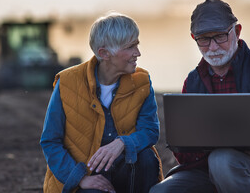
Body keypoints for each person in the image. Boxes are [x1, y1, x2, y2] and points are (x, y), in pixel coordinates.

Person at [150, 0, 250, 193]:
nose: (213, 47)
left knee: (222, 160)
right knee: (161, 191)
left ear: (237, 31)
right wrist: (183, 144)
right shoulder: (193, 81)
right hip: (206, 172)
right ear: (193, 38)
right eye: (204, 39)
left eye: (220, 36)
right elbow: (186, 157)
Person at [40, 12, 163, 193]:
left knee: (146, 158)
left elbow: (150, 130)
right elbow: (50, 141)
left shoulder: (142, 81)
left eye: (137, 44)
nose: (138, 53)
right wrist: (80, 179)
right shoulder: (67, 82)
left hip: (124, 171)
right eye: (130, 47)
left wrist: (122, 143)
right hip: (83, 179)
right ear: (104, 53)